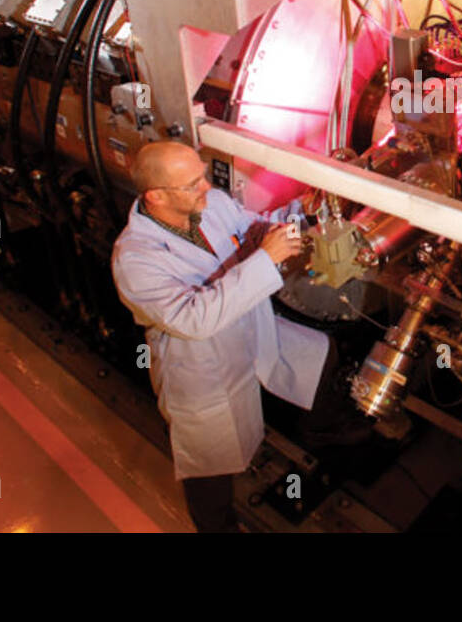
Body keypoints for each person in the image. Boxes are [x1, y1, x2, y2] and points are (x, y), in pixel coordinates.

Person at [111, 140, 330, 532]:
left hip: (248, 331)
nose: (206, 188)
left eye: (203, 176)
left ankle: (320, 433)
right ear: (156, 196)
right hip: (200, 370)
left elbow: (255, 229)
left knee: (313, 360)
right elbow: (193, 319)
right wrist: (266, 258)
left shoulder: (208, 206)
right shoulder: (134, 258)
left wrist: (306, 211)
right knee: (208, 472)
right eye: (192, 183)